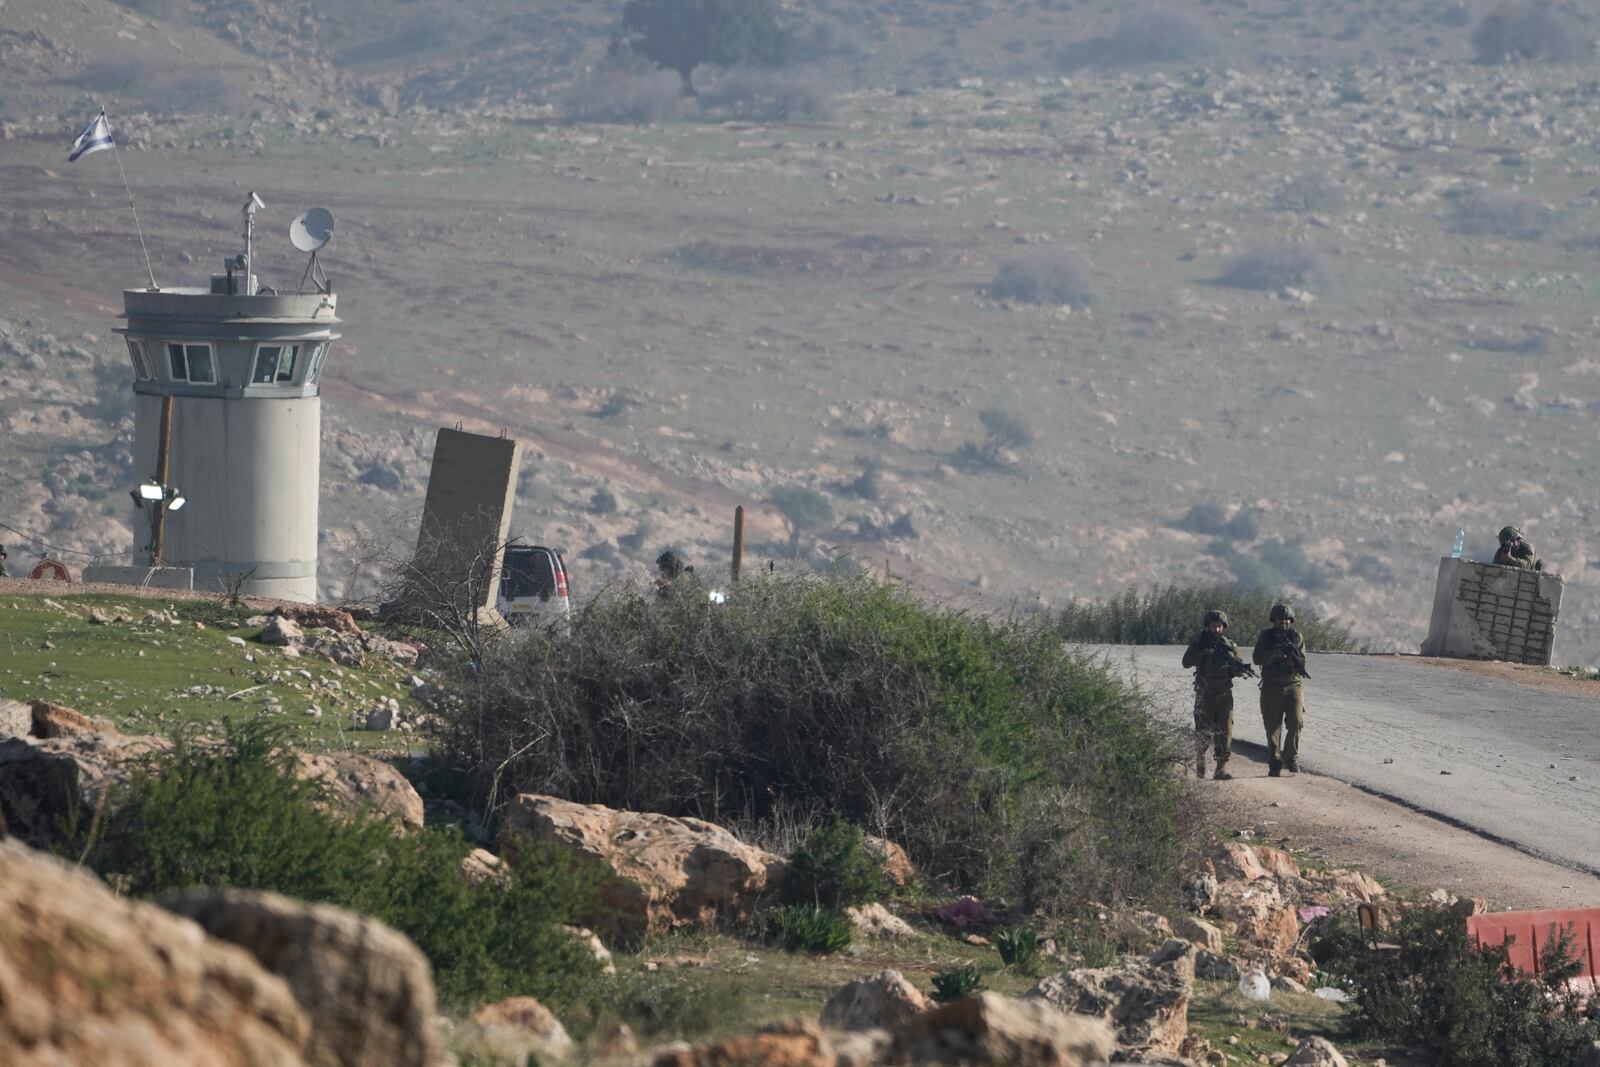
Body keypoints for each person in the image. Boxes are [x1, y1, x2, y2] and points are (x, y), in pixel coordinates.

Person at [1181, 609, 1252, 781]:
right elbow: (1186, 662)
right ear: (1208, 626)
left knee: (1225, 731)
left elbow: (1238, 671)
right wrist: (1204, 653)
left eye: (1220, 627)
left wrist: (1234, 664)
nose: (1217, 630)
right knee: (1202, 731)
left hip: (1224, 694)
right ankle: (1200, 766)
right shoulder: (1199, 642)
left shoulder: (1230, 646)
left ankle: (1221, 769)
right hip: (1205, 694)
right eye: (1214, 626)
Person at [1253, 603, 1308, 777]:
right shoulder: (1266, 637)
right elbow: (1257, 658)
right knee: (1272, 727)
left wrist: (1291, 658)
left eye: (1286, 619)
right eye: (1279, 619)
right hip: (1271, 686)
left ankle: (1291, 758)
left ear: (1291, 620)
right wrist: (1276, 653)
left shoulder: (1296, 636)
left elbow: (1302, 662)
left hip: (1293, 685)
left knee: (1296, 722)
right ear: (1273, 620)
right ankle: (1275, 763)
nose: (1283, 622)